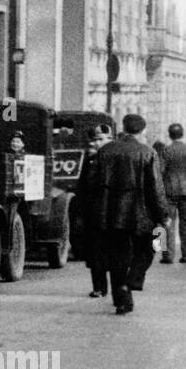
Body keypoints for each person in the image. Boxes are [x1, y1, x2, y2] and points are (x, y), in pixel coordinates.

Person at [94, 113, 168, 315]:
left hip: (110, 213)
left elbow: (95, 184)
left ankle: (121, 301)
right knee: (151, 247)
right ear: (143, 130)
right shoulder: (147, 152)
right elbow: (156, 187)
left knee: (117, 256)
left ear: (123, 128)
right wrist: (162, 214)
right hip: (140, 213)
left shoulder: (105, 151)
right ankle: (133, 280)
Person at [75, 122, 112, 298]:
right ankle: (99, 286)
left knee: (112, 251)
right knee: (95, 252)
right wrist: (81, 212)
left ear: (110, 139)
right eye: (95, 140)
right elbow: (82, 187)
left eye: (101, 139)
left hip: (112, 213)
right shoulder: (90, 160)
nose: (97, 143)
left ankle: (117, 285)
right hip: (93, 213)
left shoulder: (115, 157)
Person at [159, 122, 186, 265]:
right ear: (183, 133)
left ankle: (167, 255)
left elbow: (160, 171)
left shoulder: (166, 150)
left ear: (169, 135)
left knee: (167, 222)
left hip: (169, 190)